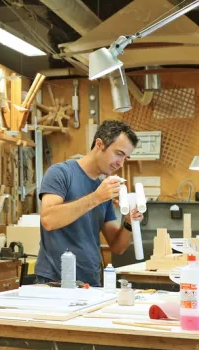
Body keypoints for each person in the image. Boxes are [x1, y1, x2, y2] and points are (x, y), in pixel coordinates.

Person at [35, 119, 144, 287]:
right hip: (56, 281)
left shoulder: (103, 188)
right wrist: (96, 197)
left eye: (126, 158)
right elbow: (48, 219)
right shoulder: (60, 173)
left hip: (90, 281)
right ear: (99, 144)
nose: (120, 163)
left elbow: (117, 247)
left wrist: (129, 222)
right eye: (119, 154)